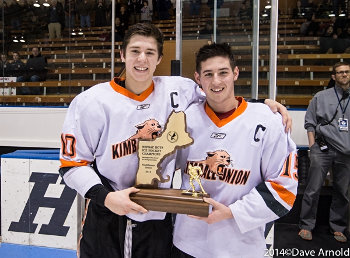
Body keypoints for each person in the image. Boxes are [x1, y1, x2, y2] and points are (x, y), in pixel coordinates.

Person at [59, 23, 292, 258]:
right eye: (135, 51)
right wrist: (106, 197)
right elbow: (72, 166)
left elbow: (219, 95)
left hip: (157, 218)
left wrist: (260, 104)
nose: (142, 59)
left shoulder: (179, 90)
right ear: (122, 54)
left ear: (160, 58)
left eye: (150, 53)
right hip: (107, 216)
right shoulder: (90, 102)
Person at [171, 43, 298, 258]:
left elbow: (284, 188)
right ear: (198, 78)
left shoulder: (268, 121)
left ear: (235, 73)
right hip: (187, 242)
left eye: (223, 73)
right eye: (208, 74)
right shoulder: (184, 119)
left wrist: (232, 213)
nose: (217, 81)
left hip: (241, 247)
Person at [298, 62, 350, 243]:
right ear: (334, 77)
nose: (344, 75)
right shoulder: (321, 97)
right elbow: (310, 122)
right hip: (322, 149)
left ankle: (338, 227)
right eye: (340, 72)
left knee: (342, 192)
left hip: (346, 153)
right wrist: (312, 147)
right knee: (313, 189)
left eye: (347, 72)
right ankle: (306, 225)